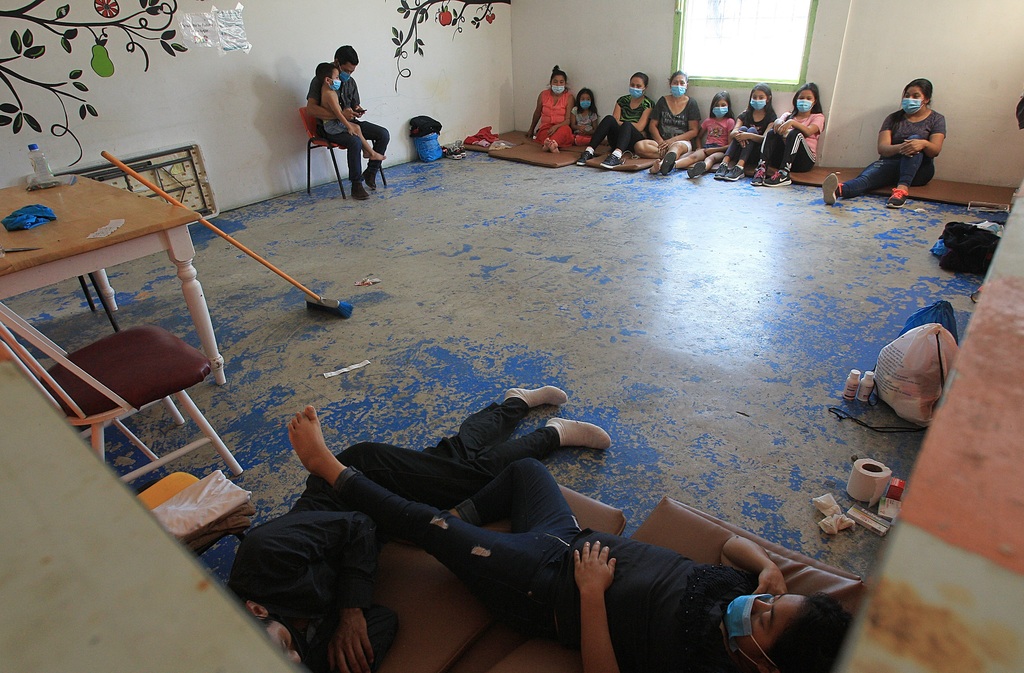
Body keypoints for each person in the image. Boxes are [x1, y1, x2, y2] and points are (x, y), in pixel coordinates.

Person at [289, 408, 853, 673]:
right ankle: (456, 511)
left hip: (546, 587)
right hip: (567, 536)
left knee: (432, 530)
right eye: (770, 602)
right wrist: (765, 568)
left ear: (767, 667)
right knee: (527, 474)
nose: (758, 605)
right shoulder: (746, 592)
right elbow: (730, 548)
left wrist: (590, 593)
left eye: (765, 619)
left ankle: (332, 469)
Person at [229, 386, 612, 672]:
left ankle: (551, 433)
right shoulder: (292, 661)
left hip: (356, 482)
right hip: (381, 527)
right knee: (458, 459)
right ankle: (515, 402)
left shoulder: (265, 556)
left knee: (472, 476)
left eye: (284, 648)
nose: (295, 659)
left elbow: (359, 526)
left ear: (257, 610)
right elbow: (384, 621)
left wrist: (350, 610)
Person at [823, 78, 946, 209]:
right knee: (867, 178)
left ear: (926, 99)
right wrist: (903, 147)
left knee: (915, 139)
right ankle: (838, 190)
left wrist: (923, 144)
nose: (910, 99)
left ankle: (902, 190)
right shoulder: (893, 118)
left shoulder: (936, 119)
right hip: (891, 165)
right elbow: (882, 148)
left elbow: (935, 150)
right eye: (907, 95)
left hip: (920, 171)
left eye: (915, 96)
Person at [305, 45, 390, 201]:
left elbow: (353, 105)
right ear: (337, 62)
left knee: (383, 134)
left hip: (348, 122)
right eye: (346, 70)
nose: (348, 75)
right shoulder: (322, 80)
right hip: (329, 127)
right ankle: (356, 184)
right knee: (354, 141)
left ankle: (371, 172)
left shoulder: (350, 82)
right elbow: (311, 109)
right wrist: (339, 115)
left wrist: (357, 110)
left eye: (352, 72)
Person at [752, 83, 825, 188]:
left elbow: (808, 131)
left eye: (808, 98)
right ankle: (761, 169)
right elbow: (778, 122)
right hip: (781, 159)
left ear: (815, 101)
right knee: (772, 132)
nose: (804, 101)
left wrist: (792, 123)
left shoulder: (818, 117)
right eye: (801, 98)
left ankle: (784, 174)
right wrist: (778, 122)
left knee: (795, 133)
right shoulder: (787, 115)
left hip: (803, 162)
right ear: (796, 100)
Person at [576, 72, 655, 169]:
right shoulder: (622, 101)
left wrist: (624, 123)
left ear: (645, 88)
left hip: (634, 141)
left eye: (638, 86)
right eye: (632, 85)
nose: (635, 88)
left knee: (627, 125)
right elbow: (614, 119)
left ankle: (616, 156)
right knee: (609, 119)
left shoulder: (648, 104)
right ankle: (589, 151)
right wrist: (624, 124)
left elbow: (640, 127)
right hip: (617, 139)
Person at [316, 63, 386, 166]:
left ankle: (367, 152)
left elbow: (348, 107)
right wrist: (349, 127)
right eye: (337, 78)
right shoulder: (330, 94)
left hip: (336, 122)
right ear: (327, 80)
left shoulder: (329, 90)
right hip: (331, 125)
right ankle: (371, 153)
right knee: (355, 131)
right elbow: (338, 114)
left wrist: (355, 110)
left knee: (359, 128)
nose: (339, 80)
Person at [653, 91, 736, 178]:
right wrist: (699, 148)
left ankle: (701, 168)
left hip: (720, 150)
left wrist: (713, 150)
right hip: (706, 148)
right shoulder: (708, 121)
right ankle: (670, 165)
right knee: (693, 157)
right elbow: (698, 137)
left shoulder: (729, 121)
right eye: (717, 105)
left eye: (723, 105)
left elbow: (730, 145)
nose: (720, 108)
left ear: (728, 106)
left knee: (711, 158)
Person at [635, 71, 701, 175]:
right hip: (661, 142)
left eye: (682, 83)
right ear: (670, 84)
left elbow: (694, 131)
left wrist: (672, 141)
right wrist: (661, 142)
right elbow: (652, 125)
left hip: (681, 142)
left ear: (686, 85)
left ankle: (662, 165)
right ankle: (671, 158)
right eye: (675, 82)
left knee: (677, 147)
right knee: (639, 146)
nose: (678, 85)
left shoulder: (691, 103)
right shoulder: (662, 101)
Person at [715, 83, 778, 182]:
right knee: (743, 128)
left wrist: (749, 136)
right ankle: (724, 164)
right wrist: (739, 135)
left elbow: (765, 138)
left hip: (756, 154)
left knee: (752, 130)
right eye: (754, 97)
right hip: (740, 150)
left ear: (768, 99)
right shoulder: (745, 114)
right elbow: (733, 133)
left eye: (761, 97)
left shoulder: (771, 117)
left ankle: (740, 167)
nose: (757, 100)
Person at [526, 65, 575, 153]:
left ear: (565, 84)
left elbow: (568, 120)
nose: (558, 85)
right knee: (544, 133)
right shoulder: (543, 95)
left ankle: (549, 145)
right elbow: (537, 113)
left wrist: (556, 127)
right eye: (555, 82)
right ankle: (552, 145)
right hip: (546, 128)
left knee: (565, 130)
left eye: (561, 82)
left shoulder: (569, 97)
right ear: (551, 82)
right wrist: (531, 129)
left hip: (561, 127)